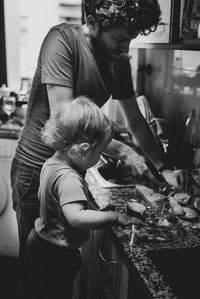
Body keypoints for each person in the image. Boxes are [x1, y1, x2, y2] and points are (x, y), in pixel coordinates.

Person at [11, 0, 191, 265]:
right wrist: (125, 150)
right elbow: (67, 117)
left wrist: (164, 168)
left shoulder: (117, 60)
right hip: (39, 171)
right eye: (119, 38)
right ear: (95, 22)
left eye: (130, 39)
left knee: (62, 262)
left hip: (73, 171)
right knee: (37, 265)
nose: (125, 48)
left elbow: (137, 122)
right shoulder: (61, 41)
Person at [19, 97, 143, 299]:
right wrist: (115, 217)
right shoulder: (69, 178)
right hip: (55, 256)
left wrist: (96, 211)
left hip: (41, 244)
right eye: (100, 152)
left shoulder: (52, 163)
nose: (101, 157)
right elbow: (76, 217)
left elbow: (60, 206)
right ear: (82, 150)